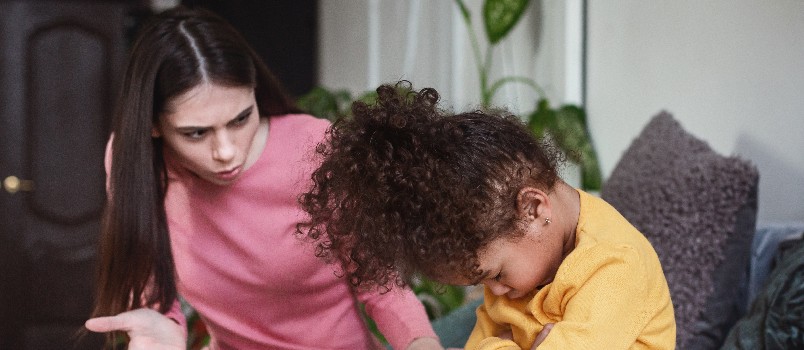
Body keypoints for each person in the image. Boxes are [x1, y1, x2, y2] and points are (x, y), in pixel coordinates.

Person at [84, 7, 443, 350]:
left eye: (240, 119)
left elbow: (378, 282)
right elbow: (156, 296)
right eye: (196, 133)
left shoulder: (315, 149)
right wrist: (163, 333)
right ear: (153, 126)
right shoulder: (133, 162)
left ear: (255, 92)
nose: (225, 151)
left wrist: (422, 344)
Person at [297, 82, 677, 349]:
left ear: (533, 209)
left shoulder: (615, 268)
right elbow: (484, 332)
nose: (493, 292)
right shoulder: (521, 268)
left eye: (494, 274)